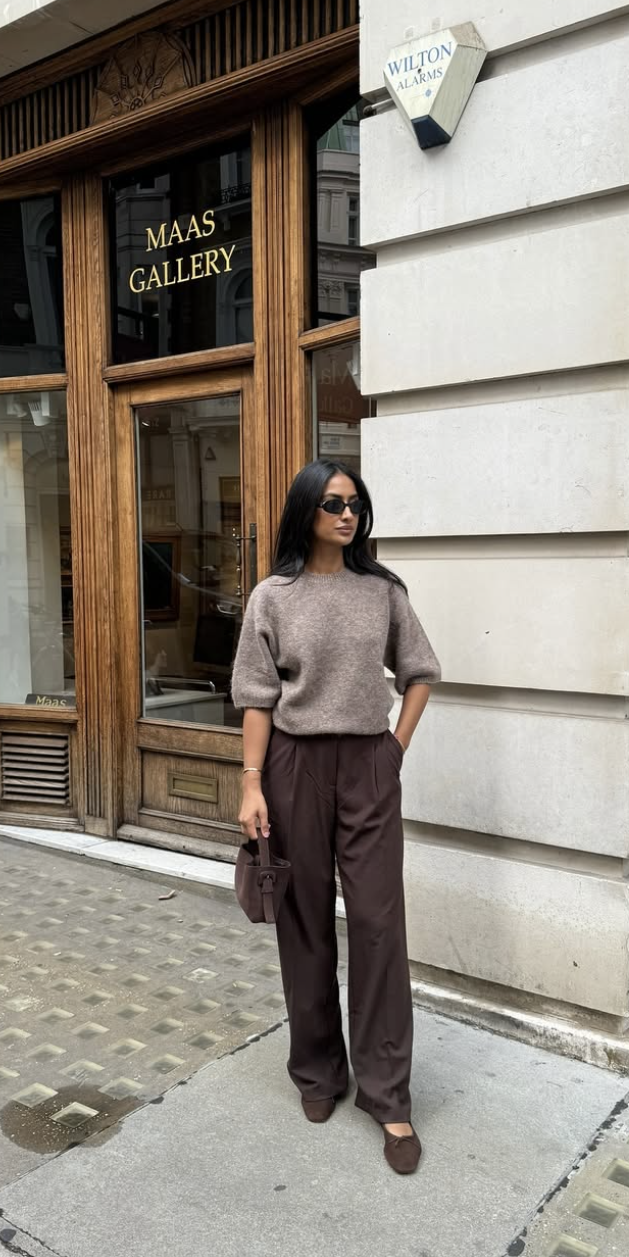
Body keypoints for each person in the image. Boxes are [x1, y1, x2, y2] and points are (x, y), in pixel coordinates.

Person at [231, 459, 440, 1174]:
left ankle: (389, 1096)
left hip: (367, 766)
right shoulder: (274, 596)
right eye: (331, 504)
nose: (347, 515)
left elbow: (420, 671)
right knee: (305, 920)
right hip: (293, 767)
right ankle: (318, 1071)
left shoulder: (382, 591)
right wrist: (252, 783)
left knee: (380, 924)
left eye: (355, 503)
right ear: (305, 512)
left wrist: (393, 750)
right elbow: (257, 696)